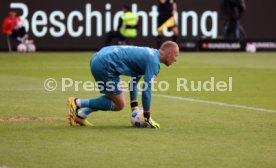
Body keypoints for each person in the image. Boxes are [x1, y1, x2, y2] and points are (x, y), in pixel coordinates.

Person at [67, 41, 179, 128]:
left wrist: (134, 107)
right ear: (170, 54)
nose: (176, 59)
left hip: (99, 57)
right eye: (176, 56)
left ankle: (81, 115)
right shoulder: (154, 62)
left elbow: (133, 83)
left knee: (113, 96)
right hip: (105, 64)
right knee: (119, 104)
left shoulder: (150, 55)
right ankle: (77, 102)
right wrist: (147, 116)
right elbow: (146, 90)